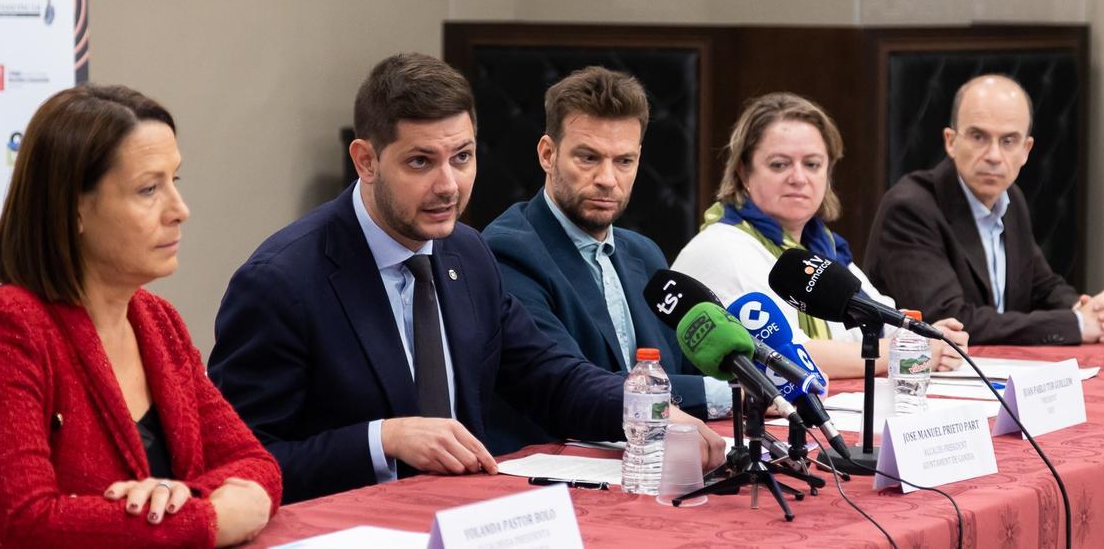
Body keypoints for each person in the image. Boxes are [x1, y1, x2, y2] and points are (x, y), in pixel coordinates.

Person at [208, 53, 725, 503]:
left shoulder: (467, 253)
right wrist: (380, 439)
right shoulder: (283, 281)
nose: (448, 185)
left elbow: (552, 377)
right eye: (420, 162)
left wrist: (651, 412)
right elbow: (237, 465)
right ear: (366, 161)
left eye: (462, 157)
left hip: (469, 520)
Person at [0, 85, 280, 548]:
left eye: (174, 181)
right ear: (74, 207)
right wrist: (206, 521)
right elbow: (24, 526)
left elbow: (254, 464)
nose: (179, 210)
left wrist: (182, 496)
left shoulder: (158, 321)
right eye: (148, 189)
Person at [482, 66, 732, 452]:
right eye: (588, 158)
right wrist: (726, 393)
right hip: (554, 474)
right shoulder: (508, 251)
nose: (607, 178)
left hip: (651, 462)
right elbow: (578, 384)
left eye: (624, 161)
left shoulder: (643, 253)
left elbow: (682, 368)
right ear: (547, 154)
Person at [671, 92, 968, 378]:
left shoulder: (820, 245)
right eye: (779, 164)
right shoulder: (723, 247)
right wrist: (905, 352)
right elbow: (786, 355)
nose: (798, 178)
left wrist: (930, 336)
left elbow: (881, 320)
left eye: (812, 164)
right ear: (743, 173)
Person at [865, 74, 1104, 345]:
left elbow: (1043, 286)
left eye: (1008, 141)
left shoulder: (1010, 199)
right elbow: (951, 320)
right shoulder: (910, 208)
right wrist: (1077, 324)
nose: (994, 156)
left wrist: (1086, 310)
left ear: (1026, 150)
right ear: (951, 141)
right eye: (978, 137)